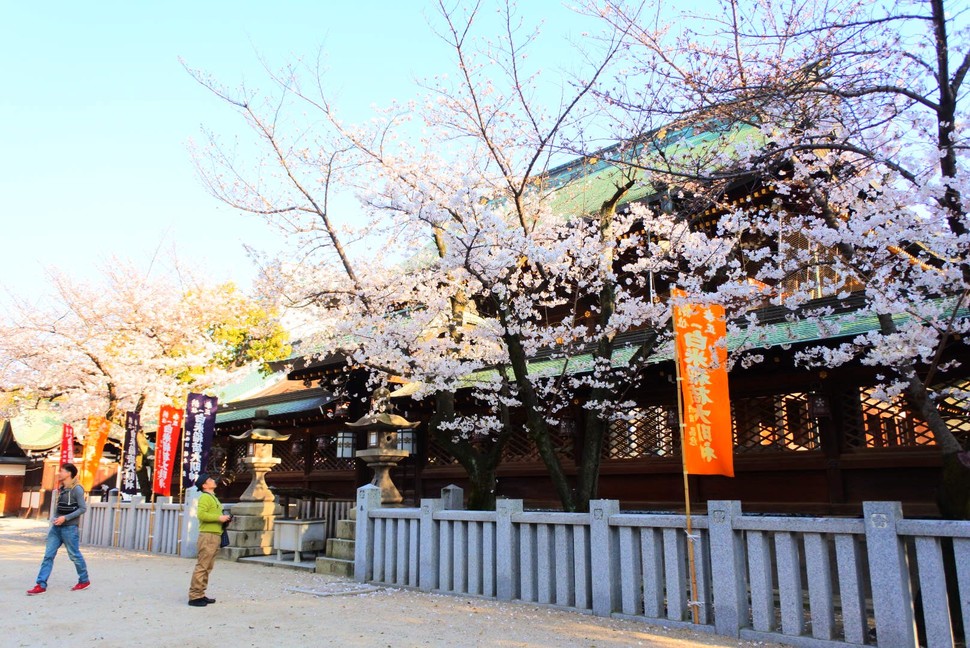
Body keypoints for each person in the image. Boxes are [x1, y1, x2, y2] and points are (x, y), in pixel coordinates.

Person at [27, 463, 90, 595]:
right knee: (48, 556)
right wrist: (55, 518)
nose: (59, 473)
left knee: (74, 555)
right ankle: (41, 584)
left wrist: (65, 518)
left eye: (61, 471)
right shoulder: (62, 489)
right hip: (56, 528)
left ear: (68, 473)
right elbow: (59, 507)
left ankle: (84, 580)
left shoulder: (77, 489)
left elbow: (82, 508)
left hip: (69, 528)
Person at [187, 472, 230, 607]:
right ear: (205, 485)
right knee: (203, 566)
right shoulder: (205, 497)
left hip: (215, 534)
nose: (213, 481)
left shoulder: (212, 497)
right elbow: (201, 515)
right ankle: (194, 596)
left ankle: (200, 593)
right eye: (210, 480)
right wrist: (219, 518)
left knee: (208, 566)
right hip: (208, 535)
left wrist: (224, 520)